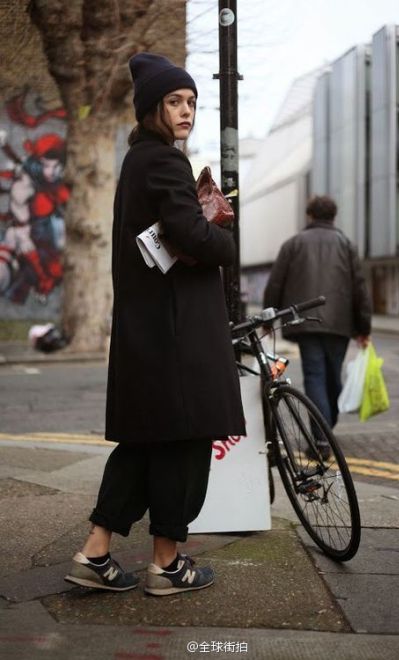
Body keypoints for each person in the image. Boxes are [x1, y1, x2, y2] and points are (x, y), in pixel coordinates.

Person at [64, 53, 245, 596]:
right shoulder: (165, 163)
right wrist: (224, 238)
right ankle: (167, 564)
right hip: (177, 336)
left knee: (144, 442)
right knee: (185, 443)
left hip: (149, 333)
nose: (186, 110)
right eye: (174, 101)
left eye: (191, 101)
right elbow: (192, 237)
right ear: (151, 109)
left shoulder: (137, 162)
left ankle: (95, 553)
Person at [263, 195, 371, 459]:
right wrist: (363, 327)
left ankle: (322, 438)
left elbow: (276, 284)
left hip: (305, 322)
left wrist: (268, 319)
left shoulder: (293, 244)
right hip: (339, 324)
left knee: (316, 378)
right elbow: (359, 288)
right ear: (333, 217)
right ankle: (325, 434)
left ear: (310, 215)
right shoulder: (347, 244)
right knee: (332, 378)